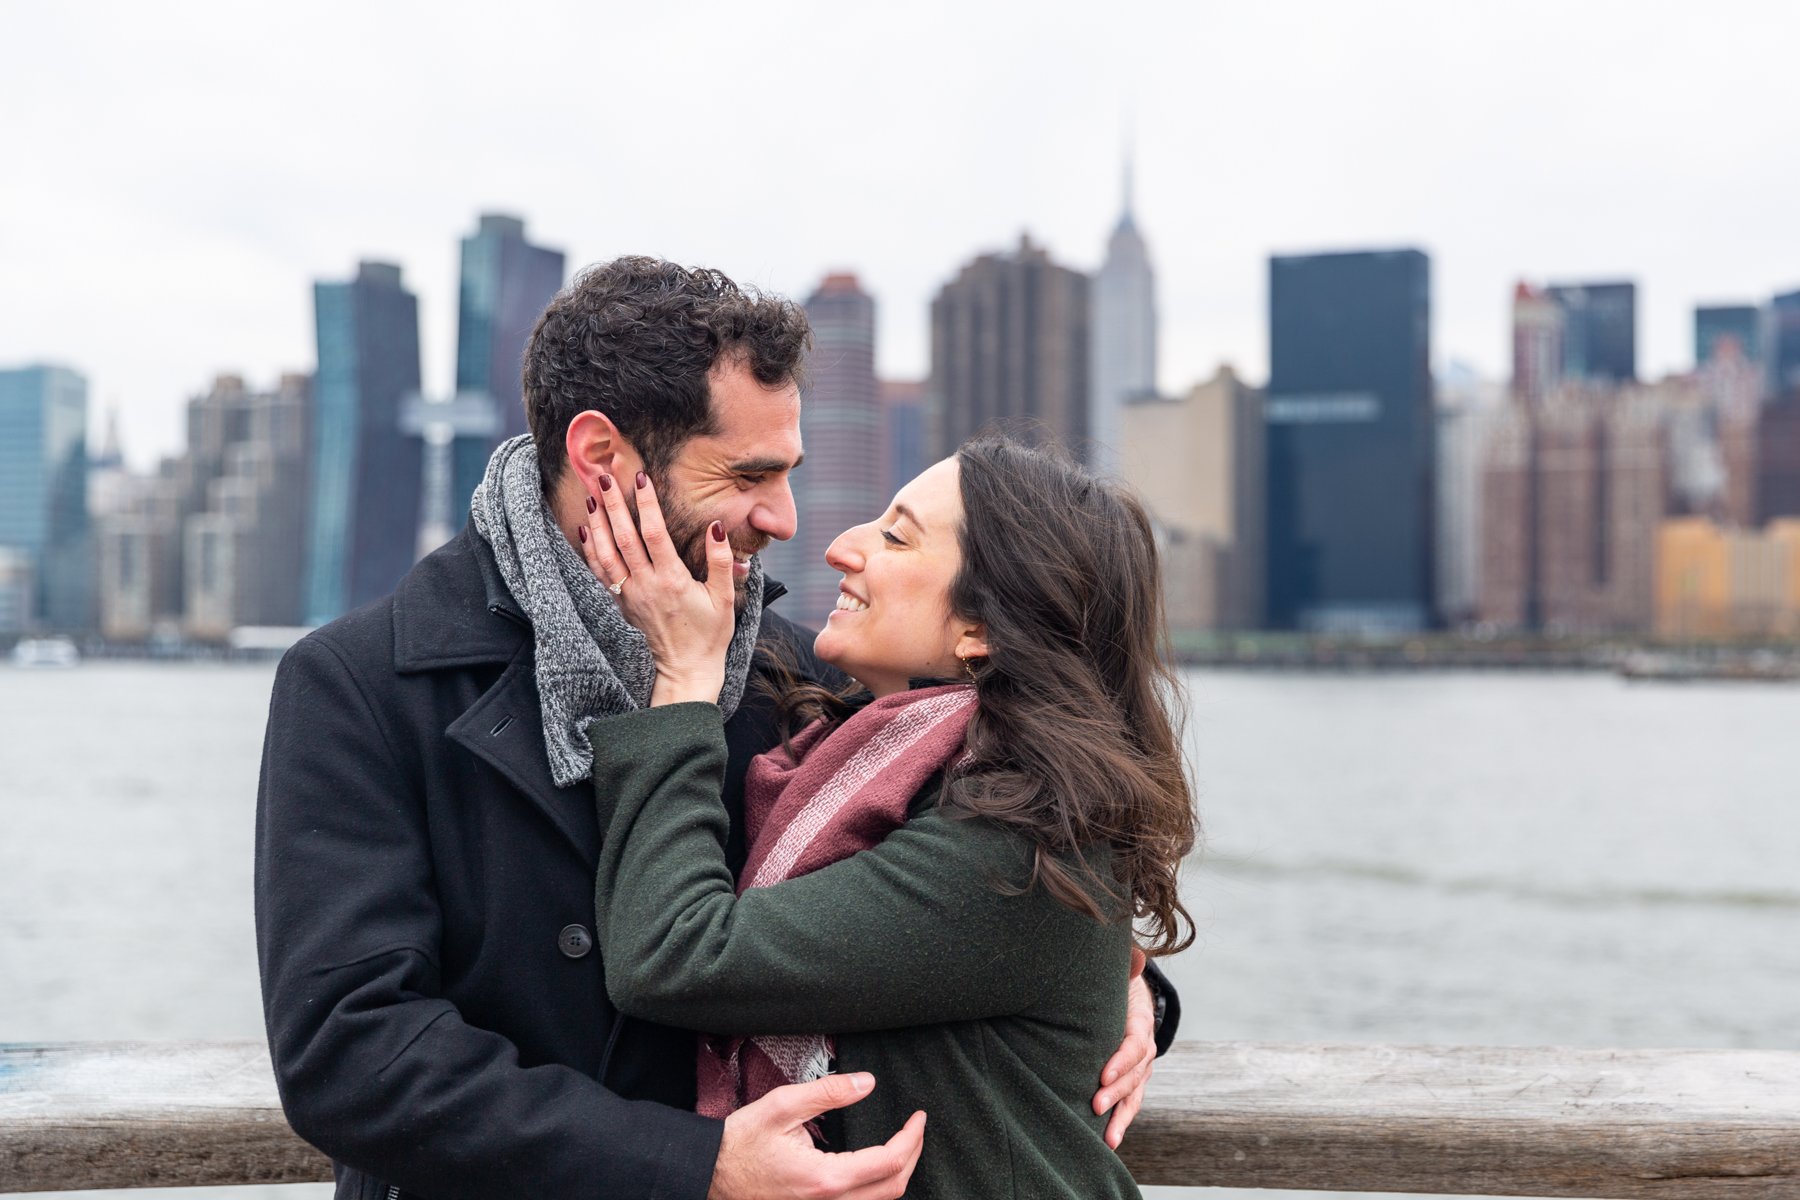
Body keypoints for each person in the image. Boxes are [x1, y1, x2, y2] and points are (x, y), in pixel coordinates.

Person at [255, 256, 1179, 1200]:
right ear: (601, 459)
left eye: (790, 475)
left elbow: (975, 898)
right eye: (749, 474)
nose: (786, 519)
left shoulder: (802, 680)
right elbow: (349, 1055)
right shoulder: (360, 687)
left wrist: (1122, 988)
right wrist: (689, 1166)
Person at [575, 436, 1198, 1197]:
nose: (839, 546)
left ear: (982, 629)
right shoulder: (863, 752)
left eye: (894, 535)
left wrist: (680, 688)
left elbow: (675, 953)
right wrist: (1135, 987)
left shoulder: (1022, 846)